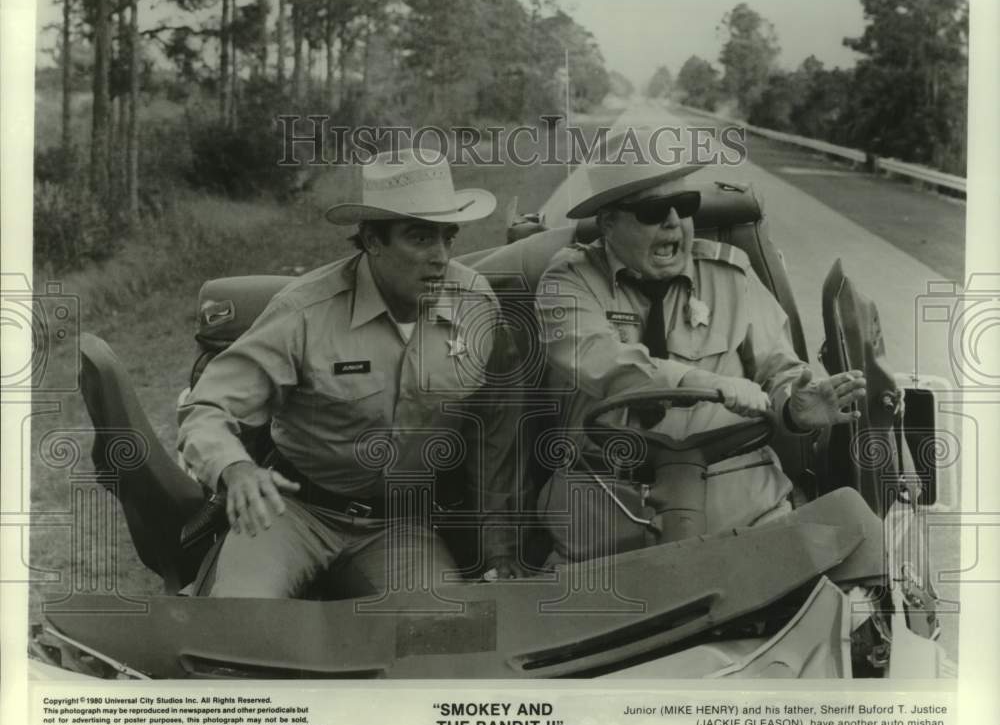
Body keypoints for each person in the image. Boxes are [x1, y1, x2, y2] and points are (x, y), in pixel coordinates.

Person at [178, 148, 523, 597]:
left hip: (400, 525)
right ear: (373, 240)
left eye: (448, 237)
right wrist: (237, 469)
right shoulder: (305, 311)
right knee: (242, 619)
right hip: (292, 512)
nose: (441, 257)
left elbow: (498, 433)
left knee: (443, 638)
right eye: (420, 238)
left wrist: (499, 549)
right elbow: (207, 406)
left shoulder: (476, 304)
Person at [534, 129, 867, 562]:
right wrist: (704, 381)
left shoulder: (731, 273)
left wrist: (794, 408)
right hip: (607, 500)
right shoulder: (568, 282)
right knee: (569, 617)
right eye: (654, 210)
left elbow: (780, 371)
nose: (675, 222)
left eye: (685, 206)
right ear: (609, 222)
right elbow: (604, 363)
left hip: (741, 496)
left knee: (820, 593)